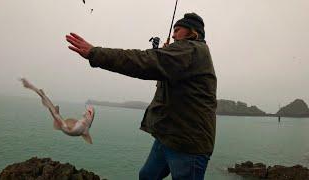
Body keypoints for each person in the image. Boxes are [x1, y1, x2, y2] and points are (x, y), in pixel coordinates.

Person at [66, 12, 217, 180]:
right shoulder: (185, 54)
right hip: (169, 136)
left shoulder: (192, 49)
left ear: (192, 32)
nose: (173, 35)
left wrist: (95, 53)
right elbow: (163, 73)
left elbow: (144, 61)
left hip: (189, 144)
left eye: (178, 30)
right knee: (146, 176)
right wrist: (164, 55)